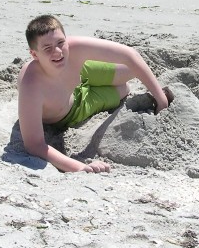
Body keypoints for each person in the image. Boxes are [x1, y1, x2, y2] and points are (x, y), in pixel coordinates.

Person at [17, 14, 170, 173]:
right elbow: (34, 144)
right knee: (123, 89)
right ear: (34, 54)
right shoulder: (32, 85)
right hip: (72, 108)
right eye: (47, 48)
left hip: (80, 72)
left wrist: (161, 100)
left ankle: (100, 80)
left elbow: (130, 55)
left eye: (61, 43)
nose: (57, 52)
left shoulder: (72, 48)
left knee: (132, 68)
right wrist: (80, 166)